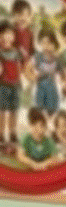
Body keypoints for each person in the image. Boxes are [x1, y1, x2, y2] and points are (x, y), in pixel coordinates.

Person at [28, 27, 61, 118]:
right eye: (43, 43)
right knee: (41, 113)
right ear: (40, 43)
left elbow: (64, 73)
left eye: (49, 43)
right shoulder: (37, 57)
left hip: (52, 91)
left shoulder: (57, 58)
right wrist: (33, 77)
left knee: (52, 112)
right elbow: (27, 69)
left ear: (54, 43)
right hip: (40, 91)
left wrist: (65, 83)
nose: (46, 46)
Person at [0, 20, 21, 155]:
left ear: (13, 36)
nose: (5, 37)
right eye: (2, 34)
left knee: (14, 110)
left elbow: (19, 67)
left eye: (8, 33)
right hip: (2, 86)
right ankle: (1, 134)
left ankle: (13, 133)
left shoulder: (16, 51)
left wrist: (20, 82)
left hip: (15, 85)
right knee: (2, 111)